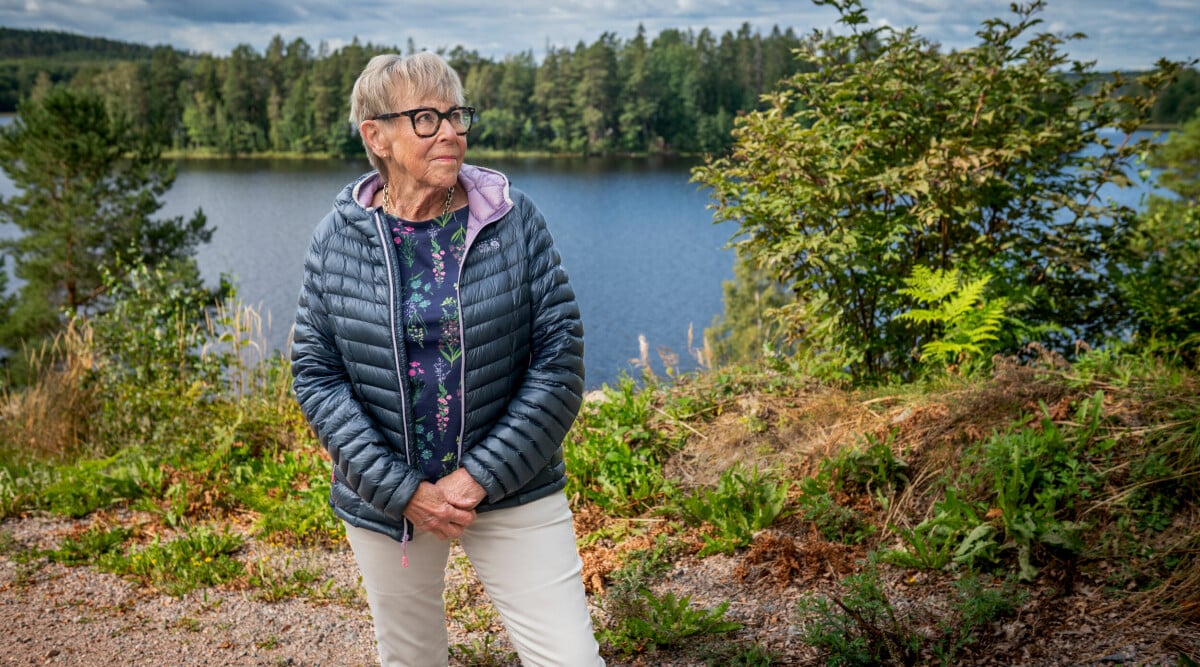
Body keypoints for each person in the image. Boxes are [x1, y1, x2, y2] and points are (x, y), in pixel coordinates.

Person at [290, 51, 604, 667]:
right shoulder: (337, 237)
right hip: (389, 502)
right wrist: (401, 490)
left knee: (570, 659)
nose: (451, 132)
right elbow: (317, 375)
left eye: (456, 115)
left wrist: (479, 476)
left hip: (513, 484)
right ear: (376, 136)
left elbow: (559, 360)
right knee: (412, 659)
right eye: (426, 118)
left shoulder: (514, 221)